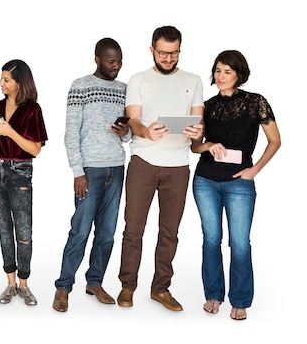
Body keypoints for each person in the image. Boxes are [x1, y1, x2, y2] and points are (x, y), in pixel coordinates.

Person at [117, 25, 203, 311]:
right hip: (144, 161)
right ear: (151, 49)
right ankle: (127, 285)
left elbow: (199, 126)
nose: (168, 58)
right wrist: (145, 132)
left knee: (170, 231)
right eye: (163, 52)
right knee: (134, 229)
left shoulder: (193, 80)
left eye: (174, 52)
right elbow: (134, 121)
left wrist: (196, 133)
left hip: (178, 165)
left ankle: (160, 288)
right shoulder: (139, 79)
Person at [191, 50, 281, 321]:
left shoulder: (256, 102)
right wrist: (208, 144)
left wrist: (255, 169)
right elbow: (195, 146)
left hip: (240, 183)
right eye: (218, 70)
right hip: (205, 179)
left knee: (240, 243)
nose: (221, 76)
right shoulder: (206, 105)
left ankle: (240, 300)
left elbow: (275, 140)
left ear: (239, 74)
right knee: (211, 240)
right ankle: (213, 295)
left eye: (227, 71)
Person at [52, 38, 129, 312]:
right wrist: (77, 172)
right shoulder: (80, 86)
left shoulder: (124, 90)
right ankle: (63, 286)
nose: (117, 66)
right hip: (89, 171)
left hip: (117, 168)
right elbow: (70, 132)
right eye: (111, 61)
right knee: (80, 230)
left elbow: (129, 133)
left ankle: (94, 281)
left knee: (107, 233)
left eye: (120, 60)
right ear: (97, 59)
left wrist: (126, 132)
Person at [0, 59, 48, 306]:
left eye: (6, 79)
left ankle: (24, 284)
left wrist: (10, 132)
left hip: (20, 172)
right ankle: (10, 282)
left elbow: (35, 149)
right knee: (4, 230)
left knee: (24, 231)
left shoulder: (32, 109)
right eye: (1, 78)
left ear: (20, 83)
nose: (1, 83)